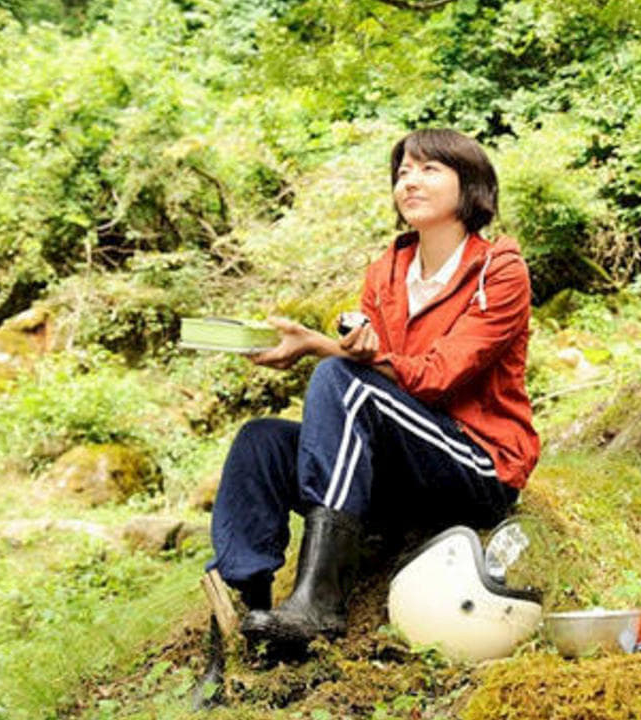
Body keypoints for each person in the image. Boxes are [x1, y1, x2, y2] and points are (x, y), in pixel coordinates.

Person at [205, 128, 539, 652]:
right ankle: (248, 602)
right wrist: (330, 344)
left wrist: (321, 348)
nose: (410, 181)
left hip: (475, 465)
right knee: (261, 441)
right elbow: (373, 371)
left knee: (339, 379)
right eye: (403, 172)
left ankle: (320, 601)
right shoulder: (386, 273)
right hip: (398, 469)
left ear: (470, 185)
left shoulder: (499, 271)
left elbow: (439, 375)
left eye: (429, 169)